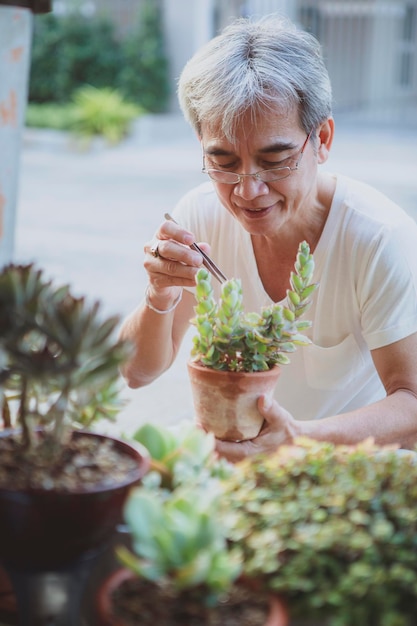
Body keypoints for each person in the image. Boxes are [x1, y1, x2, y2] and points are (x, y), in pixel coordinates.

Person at [119, 14, 417, 462]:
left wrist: (296, 437)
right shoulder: (199, 214)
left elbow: (411, 404)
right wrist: (159, 294)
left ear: (322, 139)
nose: (247, 191)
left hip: (344, 477)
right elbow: (136, 373)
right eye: (222, 161)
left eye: (274, 160)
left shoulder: (379, 238)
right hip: (232, 471)